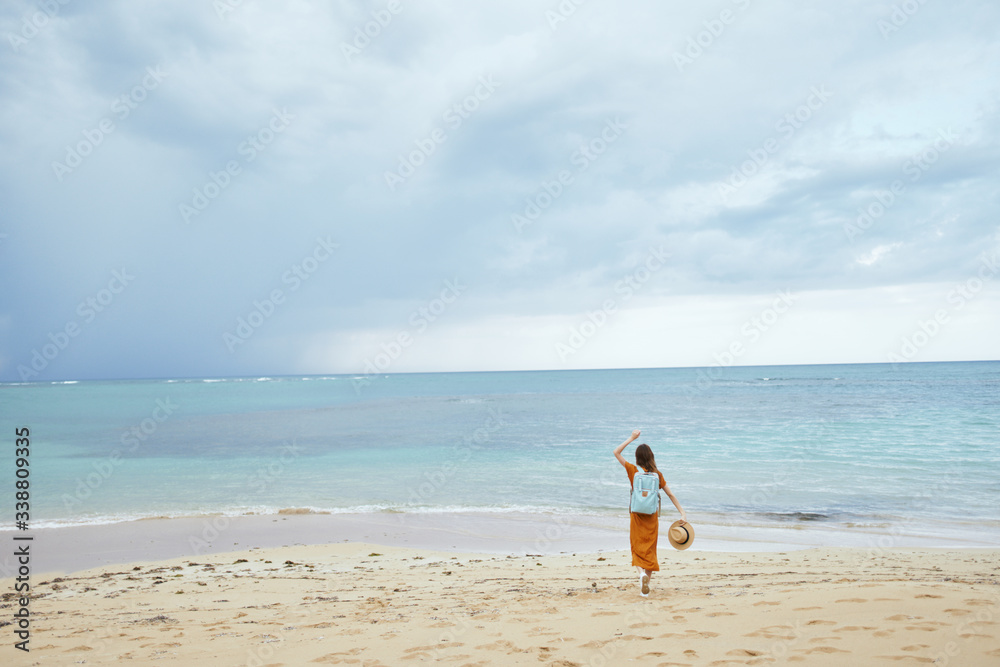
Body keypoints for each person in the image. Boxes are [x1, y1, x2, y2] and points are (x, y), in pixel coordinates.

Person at [613, 429, 687, 597]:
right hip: (652, 518)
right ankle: (645, 590)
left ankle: (640, 575)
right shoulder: (657, 475)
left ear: (638, 459)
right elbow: (670, 494)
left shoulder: (633, 471)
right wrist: (682, 513)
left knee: (636, 549)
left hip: (637, 517)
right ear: (652, 457)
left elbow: (616, 452)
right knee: (650, 551)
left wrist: (631, 438)